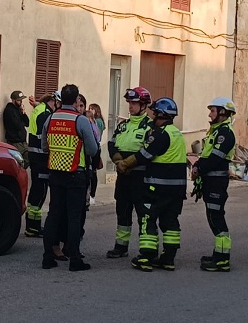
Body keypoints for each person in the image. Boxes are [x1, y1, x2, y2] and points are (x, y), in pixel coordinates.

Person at [117, 97, 186, 272]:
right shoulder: (176, 133)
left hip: (158, 188)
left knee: (148, 219)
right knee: (170, 222)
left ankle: (146, 257)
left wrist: (124, 164)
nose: (152, 116)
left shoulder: (160, 134)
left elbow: (144, 155)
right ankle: (168, 258)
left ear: (162, 115)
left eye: (155, 113)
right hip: (177, 189)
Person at [40, 84, 99, 272]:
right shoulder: (80, 120)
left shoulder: (50, 118)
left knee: (54, 214)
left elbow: (44, 147)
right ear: (75, 101)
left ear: (60, 100)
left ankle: (47, 257)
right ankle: (75, 259)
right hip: (76, 173)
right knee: (74, 217)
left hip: (55, 173)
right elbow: (92, 149)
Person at [105, 87, 152, 258]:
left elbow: (149, 150)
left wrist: (129, 162)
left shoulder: (150, 127)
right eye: (130, 103)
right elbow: (112, 144)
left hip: (141, 177)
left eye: (134, 103)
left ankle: (146, 250)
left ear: (144, 105)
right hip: (123, 175)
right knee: (122, 211)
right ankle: (121, 246)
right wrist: (119, 161)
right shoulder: (123, 125)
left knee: (143, 214)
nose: (130, 106)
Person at [194, 97, 237, 273]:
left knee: (216, 217)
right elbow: (206, 156)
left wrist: (199, 168)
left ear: (222, 112)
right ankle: (218, 254)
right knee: (212, 216)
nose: (210, 114)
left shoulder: (225, 133)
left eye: (213, 110)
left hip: (217, 181)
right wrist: (197, 165)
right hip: (210, 180)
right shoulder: (215, 131)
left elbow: (214, 159)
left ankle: (222, 260)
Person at [24, 92, 60, 237]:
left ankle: (31, 226)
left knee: (35, 191)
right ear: (54, 102)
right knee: (40, 191)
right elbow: (47, 137)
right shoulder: (46, 114)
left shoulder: (39, 109)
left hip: (34, 155)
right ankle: (34, 227)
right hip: (41, 157)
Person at [2, 91, 30, 165]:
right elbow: (17, 125)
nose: (20, 102)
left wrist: (23, 113)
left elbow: (27, 123)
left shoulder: (19, 110)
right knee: (17, 162)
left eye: (21, 100)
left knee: (27, 160)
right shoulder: (9, 110)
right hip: (15, 141)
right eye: (19, 100)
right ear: (13, 100)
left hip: (22, 141)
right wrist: (22, 122)